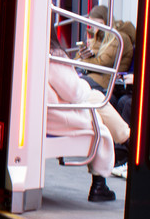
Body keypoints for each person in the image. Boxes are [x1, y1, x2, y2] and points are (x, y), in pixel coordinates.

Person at [47, 33, 117, 202]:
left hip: (50, 112)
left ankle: (126, 138)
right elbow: (75, 92)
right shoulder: (52, 55)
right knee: (99, 123)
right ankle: (100, 183)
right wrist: (84, 86)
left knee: (97, 102)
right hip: (57, 116)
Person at [75, 5, 134, 90]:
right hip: (99, 76)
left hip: (107, 80)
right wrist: (82, 56)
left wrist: (82, 61)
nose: (93, 28)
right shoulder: (102, 37)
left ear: (104, 22)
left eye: (95, 24)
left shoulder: (118, 37)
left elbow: (103, 62)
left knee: (75, 84)